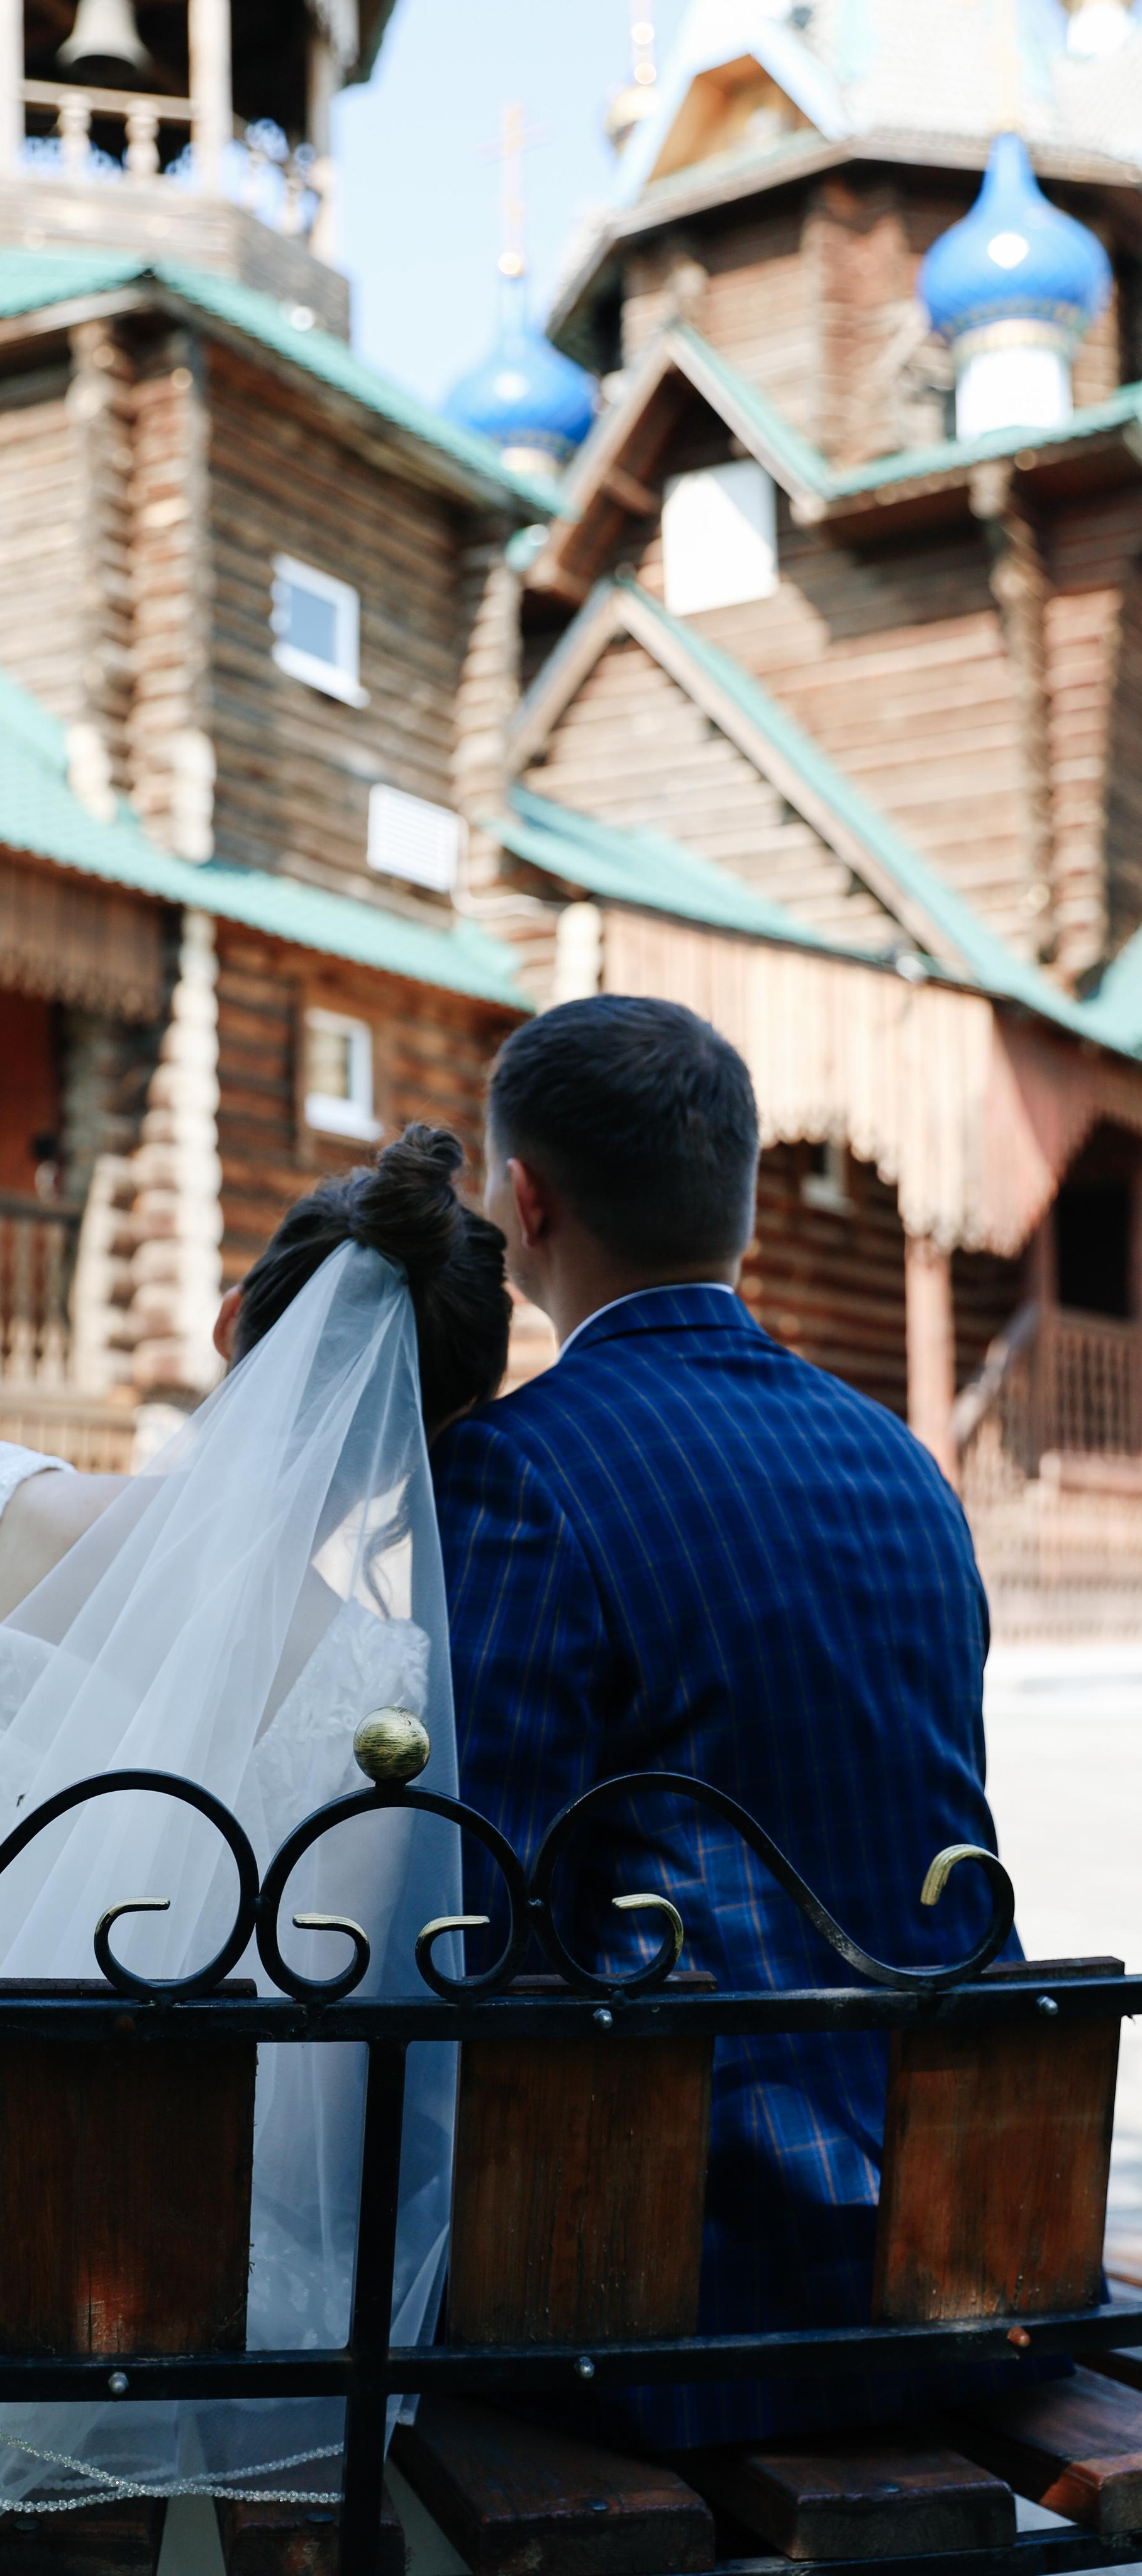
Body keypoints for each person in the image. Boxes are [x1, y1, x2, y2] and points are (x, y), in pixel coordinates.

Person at [0, 1126, 509, 2536]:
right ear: (423, 1440)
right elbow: (311, 2107)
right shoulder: (378, 1685)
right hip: (155, 2289)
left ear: (223, 1325)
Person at [430, 994, 1016, 2450]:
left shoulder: (518, 1469)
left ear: (527, 1200)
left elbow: (477, 1910)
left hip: (686, 2297)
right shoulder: (902, 1463)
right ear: (746, 1196)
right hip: (965, 2253)